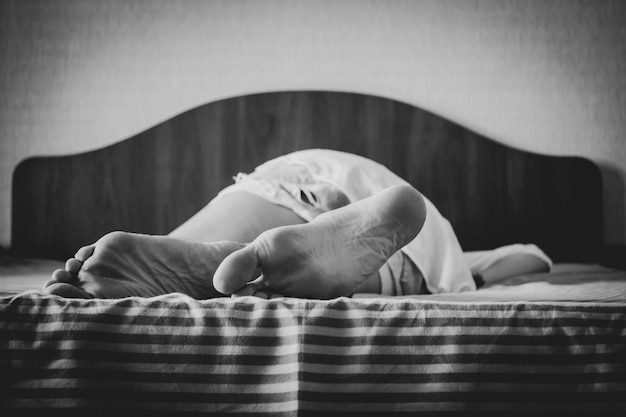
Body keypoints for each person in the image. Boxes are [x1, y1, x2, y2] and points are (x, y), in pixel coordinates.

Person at [43, 149, 551, 300]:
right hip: (404, 230)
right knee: (425, 272)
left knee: (222, 229)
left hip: (283, 180)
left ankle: (184, 261)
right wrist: (479, 273)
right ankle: (342, 272)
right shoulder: (443, 240)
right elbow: (530, 256)